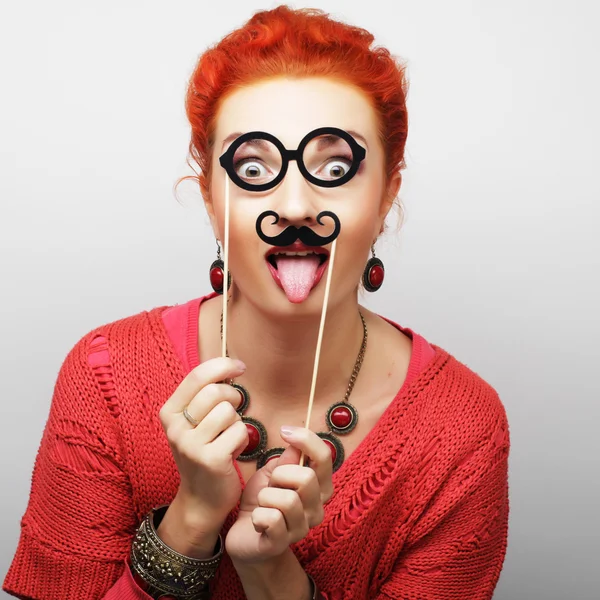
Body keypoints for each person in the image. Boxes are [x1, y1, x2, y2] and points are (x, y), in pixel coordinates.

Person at [3, 5, 510, 600]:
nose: (295, 206)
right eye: (251, 167)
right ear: (212, 202)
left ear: (386, 196)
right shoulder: (106, 374)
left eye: (337, 166)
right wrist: (190, 519)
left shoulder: (460, 431)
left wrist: (269, 568)